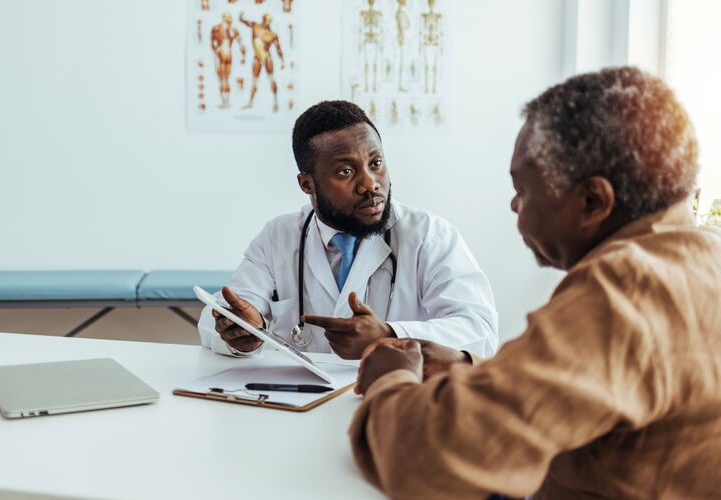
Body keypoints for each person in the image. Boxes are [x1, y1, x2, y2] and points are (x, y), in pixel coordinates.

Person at [349, 66, 721, 499]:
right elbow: (608, 382)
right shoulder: (704, 252)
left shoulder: (622, 289)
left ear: (591, 202)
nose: (513, 203)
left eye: (522, 188)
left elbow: (426, 457)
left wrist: (388, 380)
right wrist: (476, 370)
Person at [198, 100, 499, 360]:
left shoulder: (430, 235)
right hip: (303, 408)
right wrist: (240, 333)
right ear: (307, 184)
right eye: (346, 171)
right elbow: (219, 318)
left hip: (397, 403)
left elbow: (480, 330)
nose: (370, 183)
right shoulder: (279, 237)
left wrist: (390, 335)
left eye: (376, 163)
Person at [239, 12, 284, 112]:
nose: (268, 22)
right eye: (266, 19)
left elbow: (278, 48)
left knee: (271, 79)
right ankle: (250, 102)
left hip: (267, 57)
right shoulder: (255, 26)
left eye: (269, 20)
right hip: (257, 57)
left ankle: (276, 102)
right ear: (263, 19)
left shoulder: (272, 34)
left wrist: (282, 61)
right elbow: (246, 22)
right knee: (254, 81)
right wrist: (241, 18)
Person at [210, 12, 245, 109]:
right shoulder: (233, 30)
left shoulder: (217, 28)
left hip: (221, 52)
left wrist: (217, 51)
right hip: (228, 53)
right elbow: (241, 45)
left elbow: (213, 44)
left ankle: (225, 102)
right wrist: (243, 57)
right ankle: (226, 102)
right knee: (226, 79)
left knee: (222, 79)